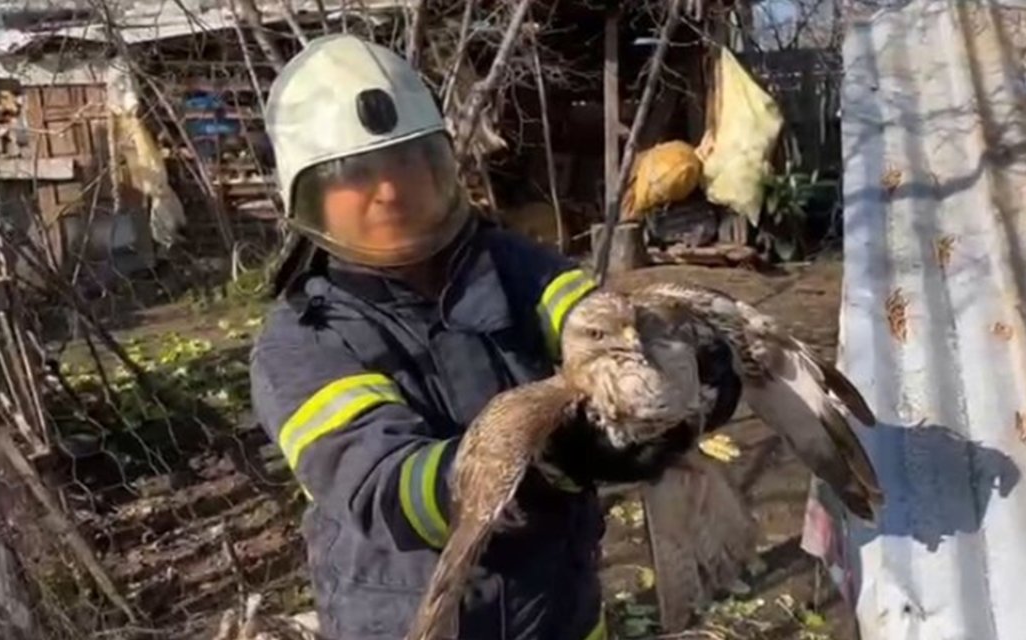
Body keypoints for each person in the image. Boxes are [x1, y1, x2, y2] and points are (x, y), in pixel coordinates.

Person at [250, 35, 741, 640]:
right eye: (357, 175)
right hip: (414, 622)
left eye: (409, 162)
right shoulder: (300, 344)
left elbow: (591, 318)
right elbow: (386, 490)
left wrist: (686, 363)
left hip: (559, 612)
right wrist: (549, 460)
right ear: (309, 199)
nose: (391, 190)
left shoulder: (510, 263)